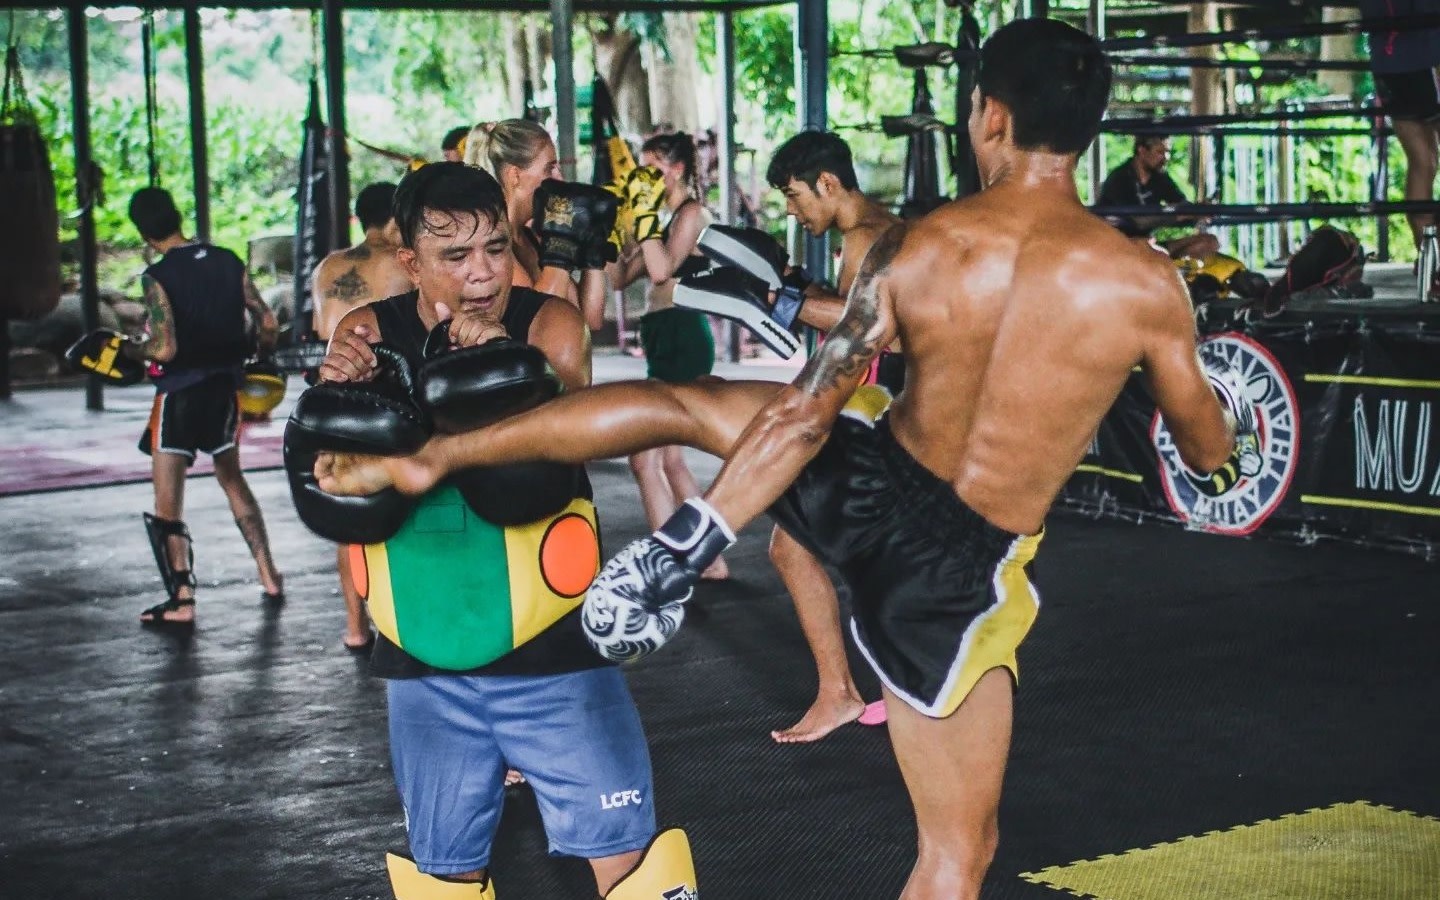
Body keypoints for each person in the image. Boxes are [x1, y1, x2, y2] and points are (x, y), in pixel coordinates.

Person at [315, 20, 1255, 900]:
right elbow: (1202, 443)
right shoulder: (1143, 283)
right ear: (1091, 131)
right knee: (957, 854)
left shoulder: (923, 246)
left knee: (689, 405)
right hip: (956, 575)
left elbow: (808, 411)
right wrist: (1222, 461)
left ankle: (436, 459)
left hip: (867, 481)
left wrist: (688, 538)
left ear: (991, 116)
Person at [309, 162, 694, 900]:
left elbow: (559, 448)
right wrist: (338, 390)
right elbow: (329, 474)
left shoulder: (547, 325)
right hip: (423, 651)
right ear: (410, 263)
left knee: (631, 867)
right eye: (455, 257)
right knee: (446, 876)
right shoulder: (366, 331)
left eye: (494, 248)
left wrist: (501, 365)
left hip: (552, 652)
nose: (483, 273)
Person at [760, 131, 901, 742]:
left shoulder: (867, 236)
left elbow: (868, 327)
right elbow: (852, 308)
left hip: (872, 407)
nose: (793, 211)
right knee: (879, 553)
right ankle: (900, 687)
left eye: (795, 197)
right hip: (877, 405)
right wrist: (793, 288)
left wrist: (779, 298)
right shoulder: (873, 231)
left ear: (828, 183)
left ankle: (840, 693)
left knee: (792, 549)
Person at [125, 187, 286, 626]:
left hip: (178, 393)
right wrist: (259, 356)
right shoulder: (227, 259)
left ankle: (181, 599)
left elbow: (165, 347)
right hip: (224, 388)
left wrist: (131, 351)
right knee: (232, 478)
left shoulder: (156, 276)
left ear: (143, 231)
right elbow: (267, 321)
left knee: (168, 501)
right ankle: (269, 574)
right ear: (177, 216)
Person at [610, 132, 729, 581]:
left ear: (676, 169)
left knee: (645, 460)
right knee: (672, 461)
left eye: (651, 168)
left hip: (683, 335)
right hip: (661, 334)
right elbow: (622, 278)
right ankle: (710, 561)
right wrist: (602, 235)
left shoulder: (692, 213)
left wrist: (642, 219)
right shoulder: (658, 220)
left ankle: (670, 566)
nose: (642, 178)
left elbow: (662, 271)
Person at [311, 182, 413, 650]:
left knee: (347, 512)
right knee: (397, 500)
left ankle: (355, 627)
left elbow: (320, 328)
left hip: (332, 394)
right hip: (381, 392)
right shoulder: (401, 262)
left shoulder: (327, 267)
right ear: (396, 220)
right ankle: (400, 617)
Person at [464, 119, 609, 331]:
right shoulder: (490, 242)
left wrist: (594, 247)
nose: (559, 178)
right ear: (515, 175)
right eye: (550, 169)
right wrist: (561, 240)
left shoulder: (531, 238)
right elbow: (537, 319)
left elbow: (589, 320)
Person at [1359, 0, 1440, 274]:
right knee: (1422, 161)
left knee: (1421, 161)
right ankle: (1432, 259)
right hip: (1425, 53)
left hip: (1387, 62)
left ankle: (1429, 259)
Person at [1097, 134, 1219, 260]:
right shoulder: (1119, 178)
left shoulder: (1160, 178)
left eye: (1167, 152)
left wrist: (1200, 210)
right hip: (1118, 248)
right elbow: (1140, 222)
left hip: (1148, 245)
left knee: (1209, 242)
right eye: (1160, 152)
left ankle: (1177, 275)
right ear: (1142, 151)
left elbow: (1182, 205)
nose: (1166, 158)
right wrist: (1184, 213)